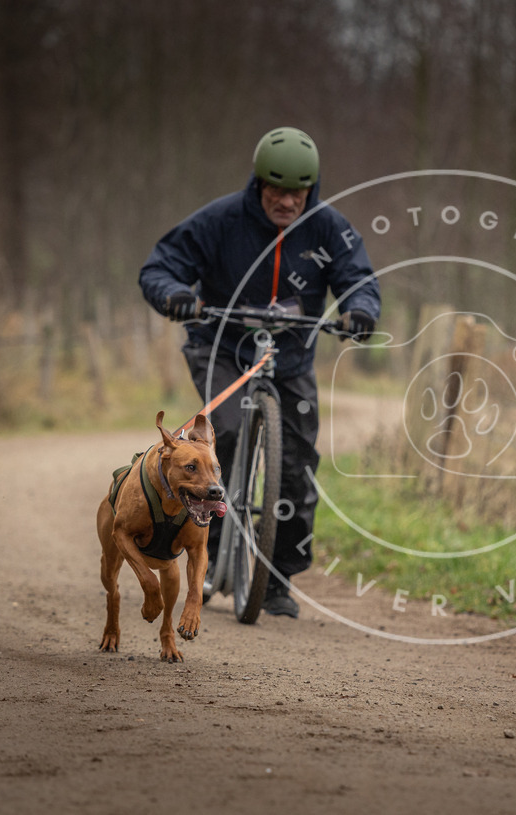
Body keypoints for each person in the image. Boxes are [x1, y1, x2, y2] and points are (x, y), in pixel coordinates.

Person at [139, 126, 380, 618]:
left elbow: (359, 279)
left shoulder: (330, 229)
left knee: (295, 463)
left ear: (311, 189)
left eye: (297, 192)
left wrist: (360, 311)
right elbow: (159, 267)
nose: (286, 201)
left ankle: (276, 580)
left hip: (288, 357)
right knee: (219, 438)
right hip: (220, 347)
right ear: (258, 184)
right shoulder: (220, 220)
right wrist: (175, 295)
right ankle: (201, 561)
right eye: (276, 190)